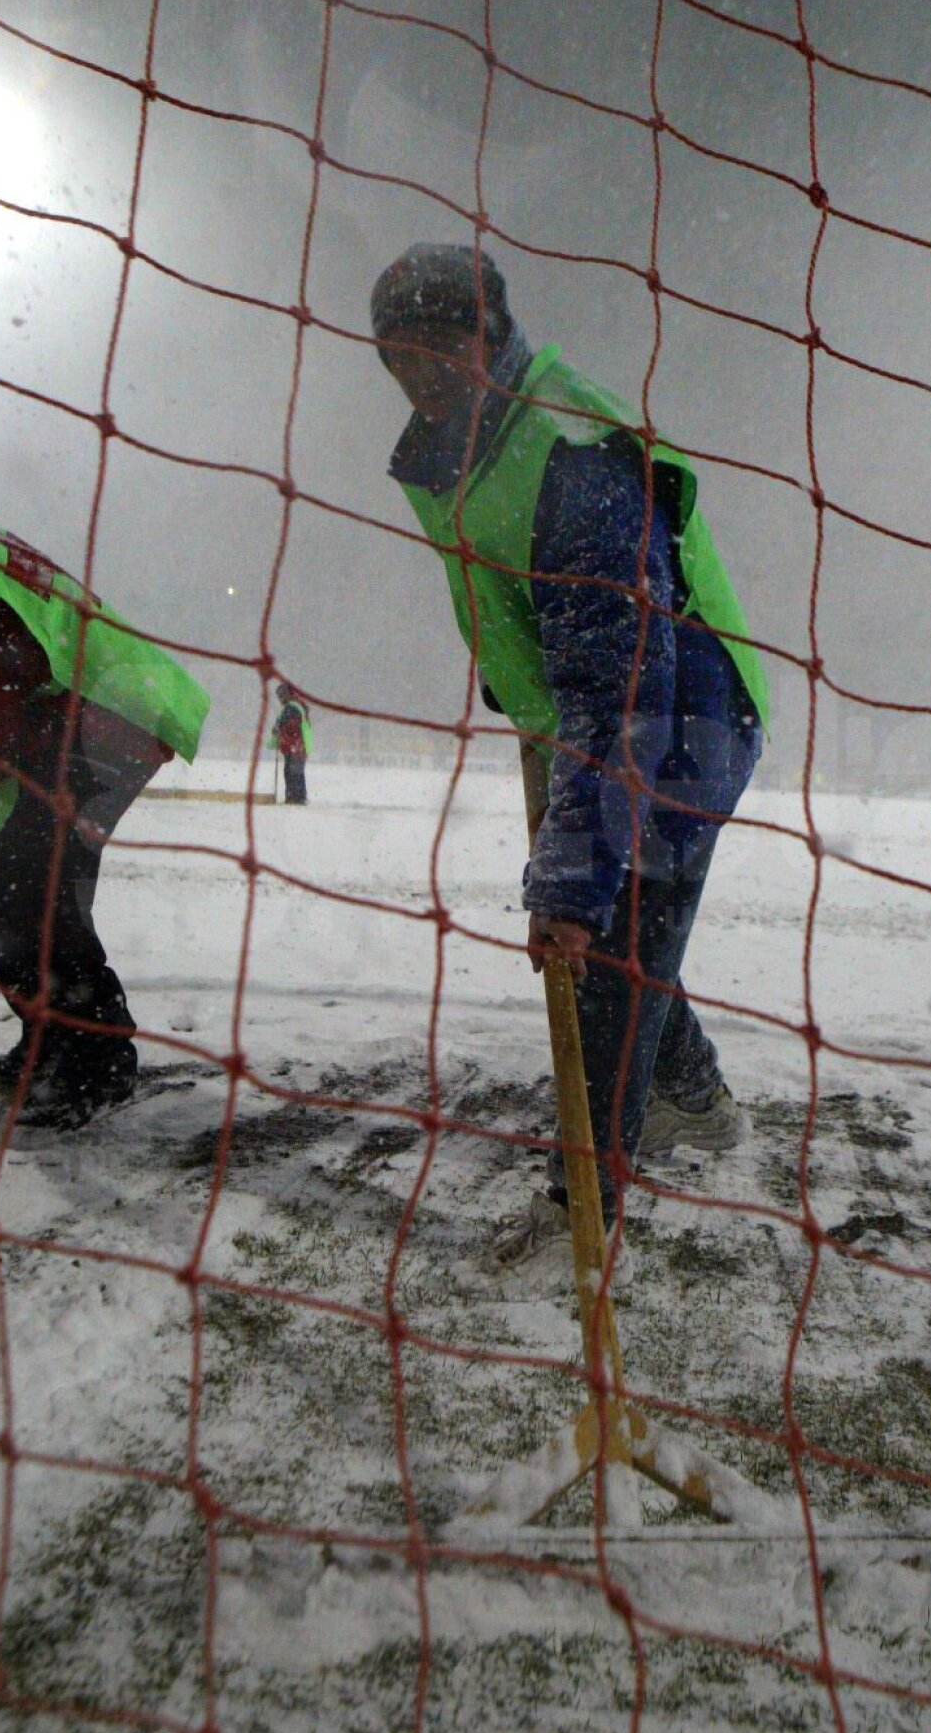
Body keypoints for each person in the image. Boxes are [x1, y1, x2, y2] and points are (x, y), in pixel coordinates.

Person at [370, 243, 769, 1280]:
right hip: (587, 711)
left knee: (606, 943)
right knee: (628, 933)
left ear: (490, 332)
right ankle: (696, 1101)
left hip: (683, 714)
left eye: (438, 346)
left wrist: (571, 878)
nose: (418, 374)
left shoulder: (567, 450)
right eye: (395, 355)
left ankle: (585, 1208)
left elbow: (620, 682)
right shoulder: (460, 445)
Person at [0, 514, 211, 1126]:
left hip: (115, 711)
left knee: (40, 877)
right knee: (22, 871)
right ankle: (51, 1040)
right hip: (83, 710)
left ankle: (96, 1059)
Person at [269, 681, 312, 804]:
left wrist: (278, 729)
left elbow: (290, 726)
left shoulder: (292, 707)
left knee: (292, 772)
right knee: (294, 771)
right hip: (297, 746)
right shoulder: (297, 706)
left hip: (295, 745)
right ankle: (297, 797)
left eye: (280, 696)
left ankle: (295, 798)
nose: (280, 699)